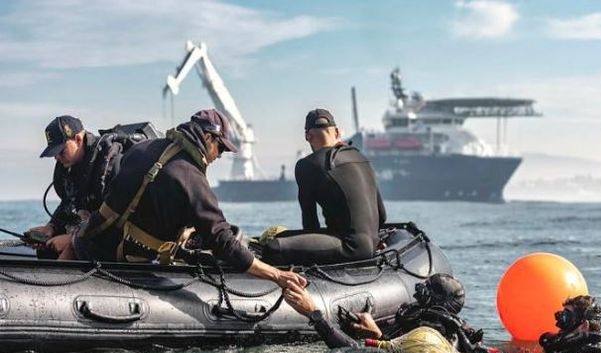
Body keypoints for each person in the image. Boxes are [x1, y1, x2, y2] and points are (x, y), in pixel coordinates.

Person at [61, 109, 306, 290]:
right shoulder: (192, 179)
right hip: (123, 261)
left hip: (89, 245)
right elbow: (223, 242)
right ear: (209, 138)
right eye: (220, 148)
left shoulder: (139, 149)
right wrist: (276, 275)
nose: (220, 156)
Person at [262, 108, 386, 265]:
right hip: (374, 245)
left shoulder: (306, 165)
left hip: (349, 248)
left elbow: (310, 223)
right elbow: (382, 216)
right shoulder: (362, 158)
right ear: (337, 132)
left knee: (272, 247)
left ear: (308, 136)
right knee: (284, 237)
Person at [284, 273, 490, 353]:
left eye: (426, 290)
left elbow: (355, 351)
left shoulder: (433, 331)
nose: (417, 293)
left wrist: (314, 313)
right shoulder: (417, 318)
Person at [28, 115, 142, 256]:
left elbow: (113, 218)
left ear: (78, 139)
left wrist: (73, 240)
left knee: (73, 249)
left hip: (117, 236)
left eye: (61, 151)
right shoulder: (70, 167)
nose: (57, 157)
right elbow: (69, 202)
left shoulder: (110, 164)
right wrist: (51, 227)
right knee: (46, 252)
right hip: (88, 230)